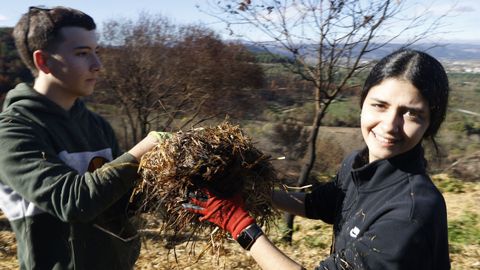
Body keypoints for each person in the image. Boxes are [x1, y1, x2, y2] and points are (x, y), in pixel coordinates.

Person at [187, 49, 451, 269]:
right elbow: (317, 204)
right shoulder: (358, 164)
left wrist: (239, 224)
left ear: (430, 124)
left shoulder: (411, 213)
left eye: (411, 114)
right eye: (379, 105)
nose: (390, 125)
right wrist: (250, 190)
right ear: (362, 104)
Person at [0, 6, 161, 270]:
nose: (97, 66)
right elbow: (72, 202)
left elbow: (120, 200)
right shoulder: (12, 132)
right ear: (44, 62)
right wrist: (145, 148)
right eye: (83, 54)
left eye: (97, 53)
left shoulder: (96, 125)